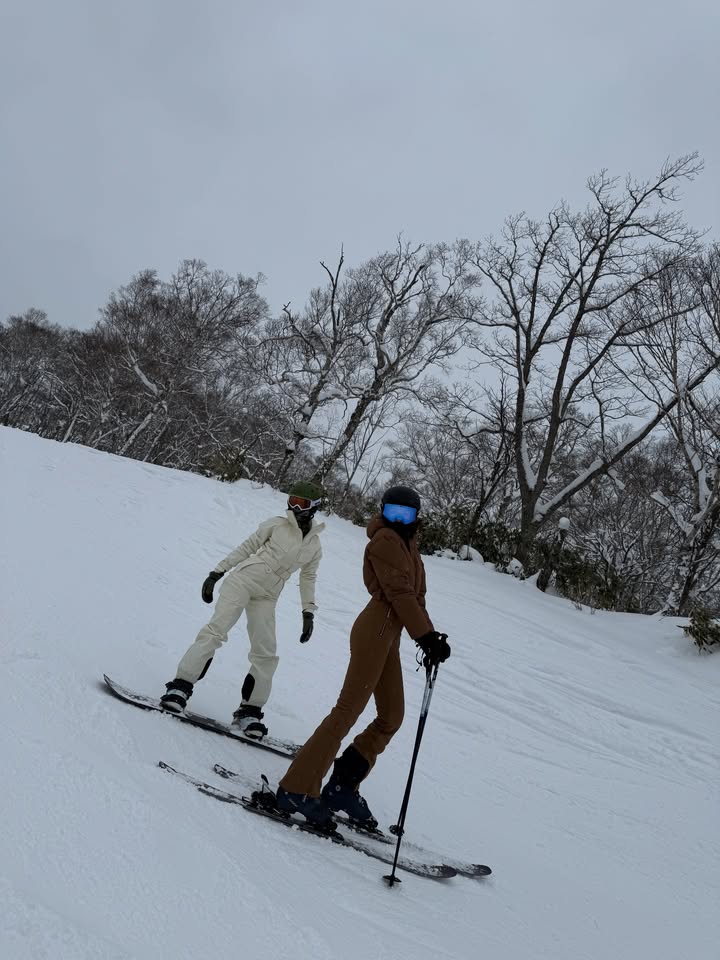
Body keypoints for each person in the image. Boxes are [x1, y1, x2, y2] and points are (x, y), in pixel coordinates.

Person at [274, 484, 450, 826]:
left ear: (416, 517)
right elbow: (398, 592)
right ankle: (296, 788)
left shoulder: (409, 545)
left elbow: (416, 596)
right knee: (346, 712)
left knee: (392, 716)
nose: (399, 519)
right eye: (393, 512)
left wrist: (430, 637)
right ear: (383, 511)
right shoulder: (385, 541)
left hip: (390, 635)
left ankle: (342, 784)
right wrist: (424, 636)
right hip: (376, 630)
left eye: (406, 514)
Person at [159, 481, 326, 739]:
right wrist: (217, 572)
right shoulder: (276, 524)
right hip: (243, 581)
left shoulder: (314, 546)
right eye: (291, 500)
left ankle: (250, 711)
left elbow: (308, 578)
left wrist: (308, 612)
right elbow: (247, 547)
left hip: (267, 596)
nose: (293, 506)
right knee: (216, 631)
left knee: (266, 652)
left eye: (301, 503)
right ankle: (179, 688)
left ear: (313, 507)